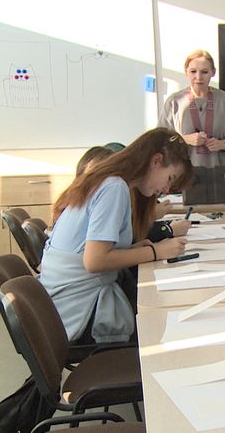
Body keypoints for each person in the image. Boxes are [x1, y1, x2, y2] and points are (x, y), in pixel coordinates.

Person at [39, 129, 193, 343]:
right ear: (156, 161)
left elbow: (90, 252)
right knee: (169, 317)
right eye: (170, 178)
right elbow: (94, 261)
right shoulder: (114, 187)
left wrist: (133, 250)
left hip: (60, 306)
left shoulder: (108, 181)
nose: (166, 188)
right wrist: (155, 251)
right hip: (78, 312)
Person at [76, 145, 191, 241]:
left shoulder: (118, 189)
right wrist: (166, 231)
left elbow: (124, 236)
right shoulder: (114, 188)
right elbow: (98, 256)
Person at [158, 49, 225, 167]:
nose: (198, 77)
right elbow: (160, 140)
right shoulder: (174, 102)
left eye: (204, 72)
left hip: (220, 172)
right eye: (193, 71)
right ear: (186, 72)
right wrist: (184, 139)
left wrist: (224, 144)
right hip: (184, 173)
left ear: (213, 72)